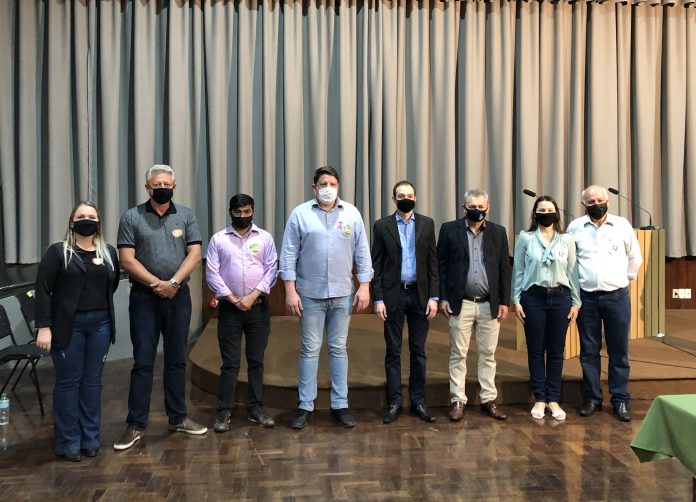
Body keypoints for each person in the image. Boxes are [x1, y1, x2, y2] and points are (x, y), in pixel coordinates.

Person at [114, 164, 206, 451]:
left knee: (177, 360)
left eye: (167, 184)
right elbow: (126, 259)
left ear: (174, 187)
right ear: (147, 188)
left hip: (178, 298)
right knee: (143, 361)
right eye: (157, 184)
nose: (162, 188)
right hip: (144, 298)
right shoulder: (131, 217)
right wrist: (157, 284)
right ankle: (136, 425)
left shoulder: (186, 215)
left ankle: (178, 418)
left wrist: (173, 283)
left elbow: (195, 254)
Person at [279, 165, 373, 429]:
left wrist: (364, 285)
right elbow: (288, 253)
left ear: (338, 186)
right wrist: (289, 290)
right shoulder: (300, 214)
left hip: (343, 294)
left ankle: (340, 404)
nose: (328, 189)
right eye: (323, 184)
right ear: (314, 188)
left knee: (338, 348)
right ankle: (305, 405)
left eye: (332, 184)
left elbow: (362, 252)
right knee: (310, 349)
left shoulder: (352, 213)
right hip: (309, 294)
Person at [35, 201, 120, 462]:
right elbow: (43, 289)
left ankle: (90, 438)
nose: (87, 220)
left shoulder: (108, 252)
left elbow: (112, 283)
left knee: (92, 383)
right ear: (72, 222)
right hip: (67, 326)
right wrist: (44, 327)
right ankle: (68, 441)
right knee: (68, 383)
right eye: (81, 216)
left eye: (91, 216)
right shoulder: (58, 252)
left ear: (98, 222)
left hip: (100, 324)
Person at [566, 185, 642, 422]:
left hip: (617, 297)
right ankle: (592, 398)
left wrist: (624, 279)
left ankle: (620, 399)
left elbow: (635, 256)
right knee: (589, 351)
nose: (596, 204)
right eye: (591, 202)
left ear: (608, 201)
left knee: (618, 351)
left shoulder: (622, 225)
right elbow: (569, 261)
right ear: (584, 205)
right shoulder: (575, 227)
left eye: (600, 200)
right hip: (587, 298)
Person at [206, 194, 278, 432]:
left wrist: (251, 297)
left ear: (253, 212)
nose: (242, 216)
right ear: (231, 212)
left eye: (247, 212)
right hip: (229, 309)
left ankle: (255, 408)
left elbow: (271, 269)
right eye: (238, 212)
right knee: (230, 363)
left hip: (258, 308)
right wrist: (233, 298)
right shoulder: (219, 239)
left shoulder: (264, 238)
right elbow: (212, 273)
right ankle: (224, 411)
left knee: (256, 361)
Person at [437, 188, 510, 422]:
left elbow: (504, 269)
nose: (476, 210)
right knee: (458, 354)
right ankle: (458, 400)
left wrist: (505, 301)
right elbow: (441, 265)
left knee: (488, 354)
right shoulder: (449, 230)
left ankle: (489, 399)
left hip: (490, 304)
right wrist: (443, 297)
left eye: (480, 207)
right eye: (472, 207)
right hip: (461, 303)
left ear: (487, 208)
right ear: (463, 208)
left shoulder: (499, 232)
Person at [371, 181, 439, 424]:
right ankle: (394, 401)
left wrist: (434, 297)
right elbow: (377, 264)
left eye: (409, 195)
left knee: (418, 351)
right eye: (401, 196)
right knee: (393, 351)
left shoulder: (427, 224)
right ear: (394, 199)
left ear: (416, 197)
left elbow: (432, 262)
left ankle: (418, 400)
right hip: (393, 296)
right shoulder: (382, 226)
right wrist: (378, 298)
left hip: (420, 296)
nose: (406, 199)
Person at [511, 195, 581, 421]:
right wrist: (516, 299)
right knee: (535, 349)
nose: (545, 214)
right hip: (533, 298)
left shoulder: (566, 240)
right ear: (535, 214)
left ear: (556, 214)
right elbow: (518, 270)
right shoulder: (525, 237)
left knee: (556, 350)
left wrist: (576, 302)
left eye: (549, 210)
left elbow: (573, 272)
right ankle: (540, 398)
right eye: (541, 211)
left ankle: (553, 398)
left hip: (560, 298)